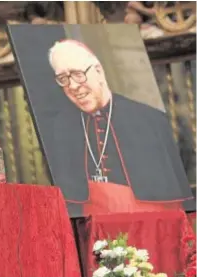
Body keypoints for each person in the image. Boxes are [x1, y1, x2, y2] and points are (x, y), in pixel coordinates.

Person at [46, 39, 195, 217]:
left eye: (78, 74)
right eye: (63, 78)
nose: (73, 85)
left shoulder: (148, 118)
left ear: (98, 72)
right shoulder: (61, 126)